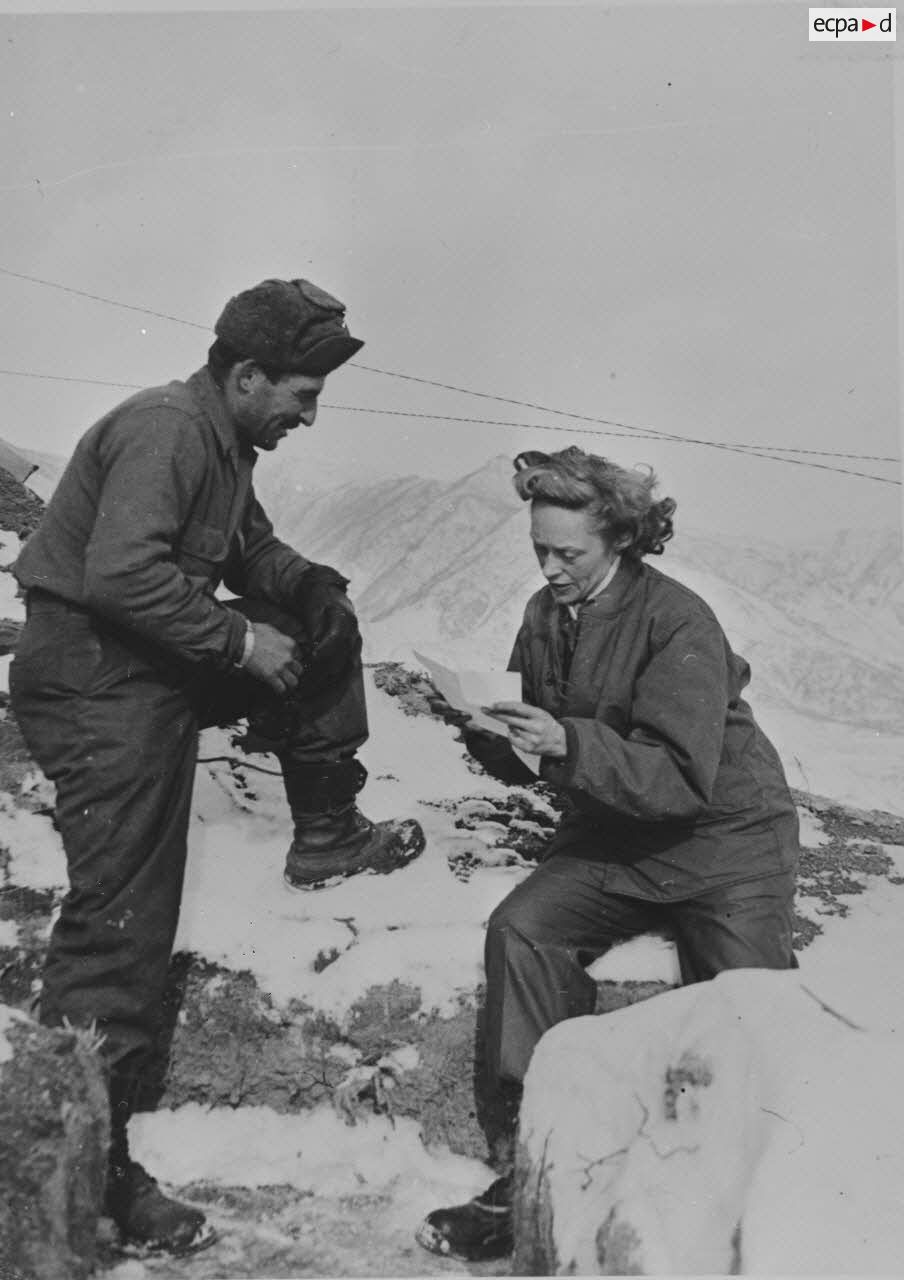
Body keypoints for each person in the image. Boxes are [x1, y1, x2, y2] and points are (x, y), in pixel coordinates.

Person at [9, 276, 425, 1255]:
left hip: (151, 668)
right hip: (98, 689)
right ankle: (86, 1166)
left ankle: (325, 831)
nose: (308, 416)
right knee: (122, 921)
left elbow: (253, 552)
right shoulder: (165, 430)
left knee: (321, 622)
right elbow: (120, 573)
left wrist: (305, 590)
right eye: (300, 395)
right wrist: (240, 644)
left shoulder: (223, 442)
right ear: (246, 374)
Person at [417, 446, 799, 1263]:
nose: (550, 569)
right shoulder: (545, 615)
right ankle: (535, 1171)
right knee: (523, 930)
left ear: (620, 539)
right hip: (617, 835)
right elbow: (546, 743)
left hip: (723, 838)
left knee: (754, 1010)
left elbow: (679, 777)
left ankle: (767, 1203)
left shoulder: (678, 620)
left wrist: (565, 743)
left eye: (568, 553)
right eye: (539, 551)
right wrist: (492, 730)